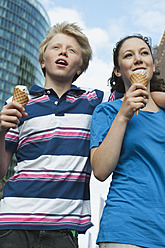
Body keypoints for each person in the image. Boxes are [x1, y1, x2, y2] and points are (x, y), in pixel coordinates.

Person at [0, 22, 117, 248]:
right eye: (56, 48)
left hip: (63, 230)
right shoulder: (19, 103)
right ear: (43, 61)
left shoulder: (94, 102)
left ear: (79, 68)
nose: (63, 52)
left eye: (71, 50)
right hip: (13, 223)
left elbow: (133, 99)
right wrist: (0, 131)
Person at [90, 34, 165, 248]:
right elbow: (101, 170)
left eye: (144, 53)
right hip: (125, 231)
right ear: (118, 69)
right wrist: (123, 114)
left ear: (152, 63)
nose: (138, 59)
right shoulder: (107, 111)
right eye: (129, 55)